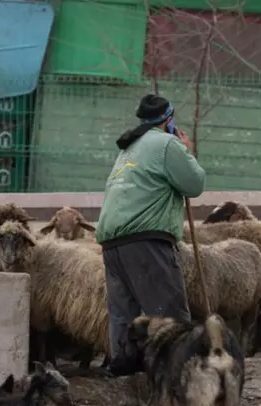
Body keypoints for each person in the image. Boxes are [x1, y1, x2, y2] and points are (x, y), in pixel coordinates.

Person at [94, 94, 206, 376]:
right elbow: (194, 184)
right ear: (169, 120)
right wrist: (186, 150)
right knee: (167, 314)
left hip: (112, 243)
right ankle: (177, 377)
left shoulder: (127, 149)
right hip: (146, 240)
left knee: (125, 318)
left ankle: (125, 380)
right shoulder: (167, 143)